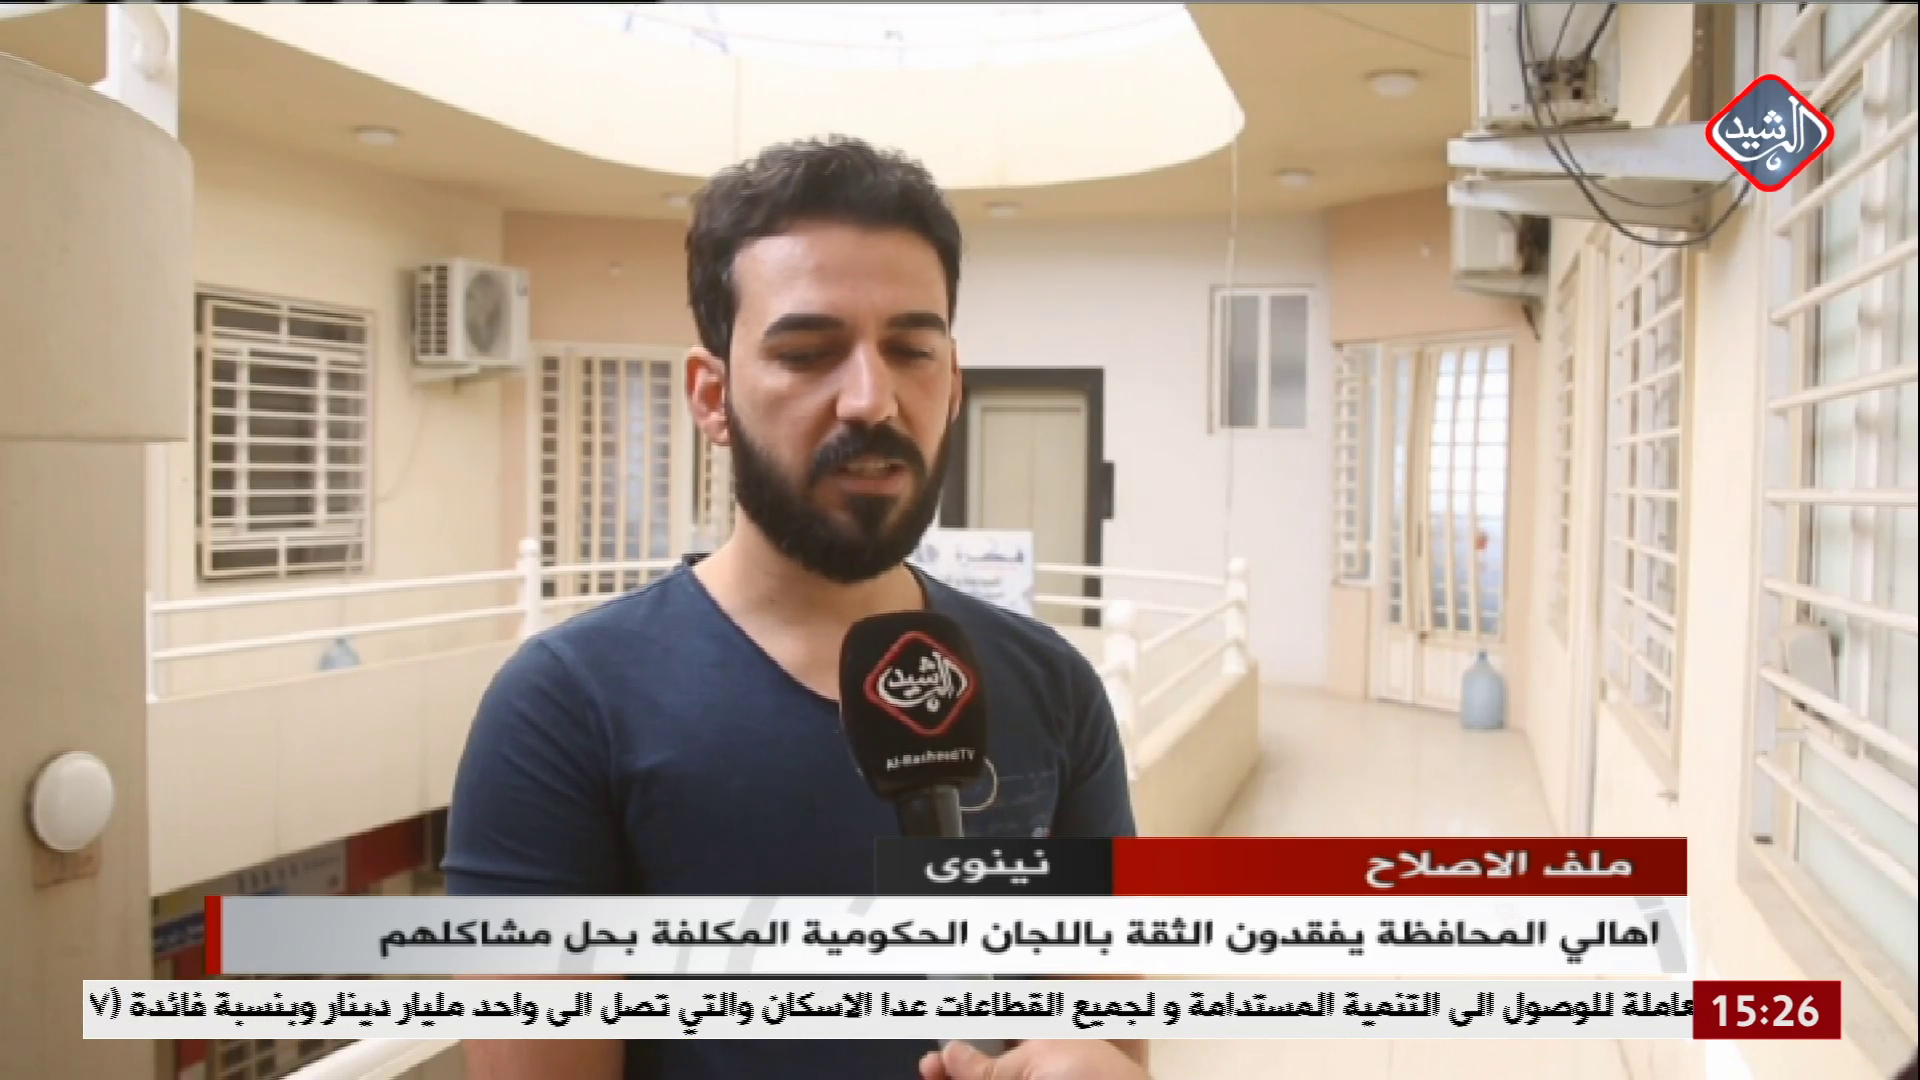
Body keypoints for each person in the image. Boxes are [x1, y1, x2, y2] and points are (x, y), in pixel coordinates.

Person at [442, 135, 1145, 1080]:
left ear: (954, 387)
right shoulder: (564, 710)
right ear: (712, 396)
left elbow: (1109, 1040)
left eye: (912, 350)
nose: (870, 400)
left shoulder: (1052, 687)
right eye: (808, 353)